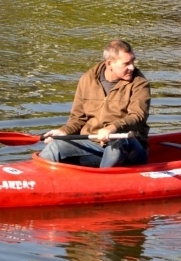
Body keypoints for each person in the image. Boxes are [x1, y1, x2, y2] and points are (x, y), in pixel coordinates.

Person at [40, 39, 150, 167]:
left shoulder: (140, 83)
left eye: (132, 61)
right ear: (109, 63)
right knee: (54, 146)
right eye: (126, 63)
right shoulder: (87, 79)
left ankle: (103, 177)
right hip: (93, 144)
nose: (132, 67)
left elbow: (138, 116)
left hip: (128, 145)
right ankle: (39, 176)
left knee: (117, 144)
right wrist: (64, 131)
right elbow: (78, 118)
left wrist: (112, 128)